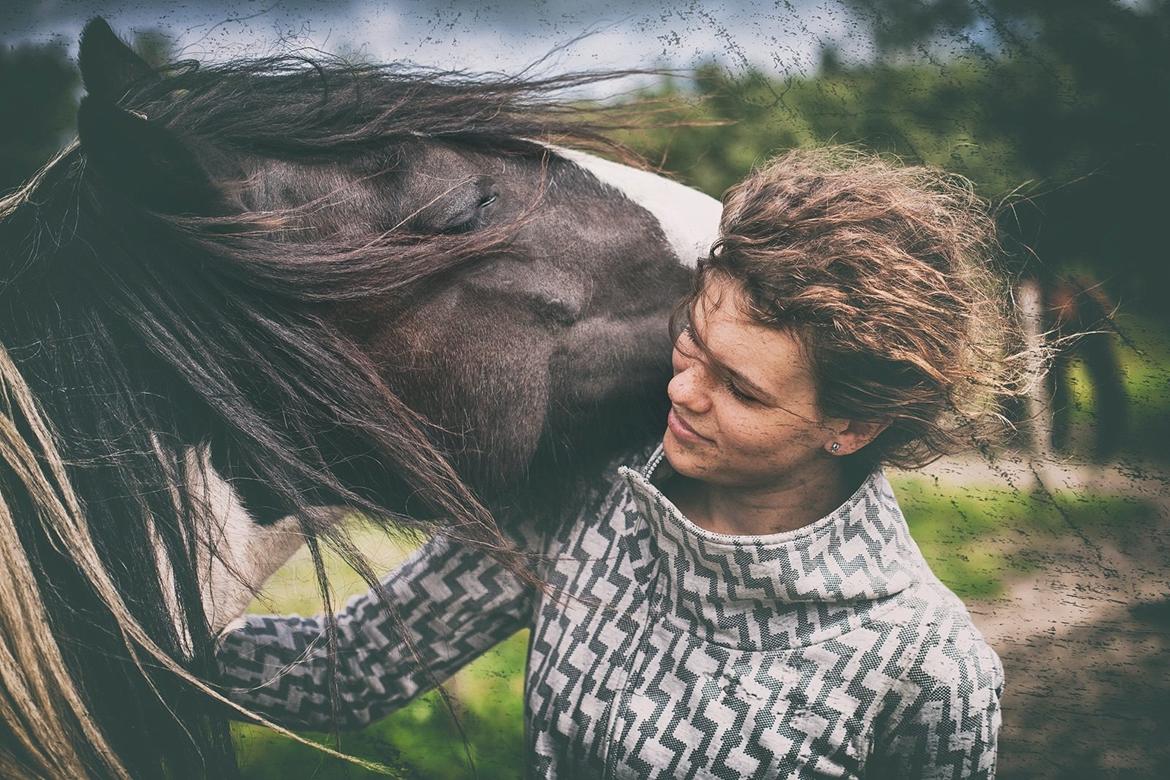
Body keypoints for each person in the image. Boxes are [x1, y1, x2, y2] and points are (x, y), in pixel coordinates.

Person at [217, 147, 1021, 778]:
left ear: (852, 425)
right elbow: (348, 669)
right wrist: (118, 633)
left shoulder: (927, 669)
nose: (685, 389)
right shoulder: (591, 499)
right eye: (693, 341)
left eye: (739, 389)